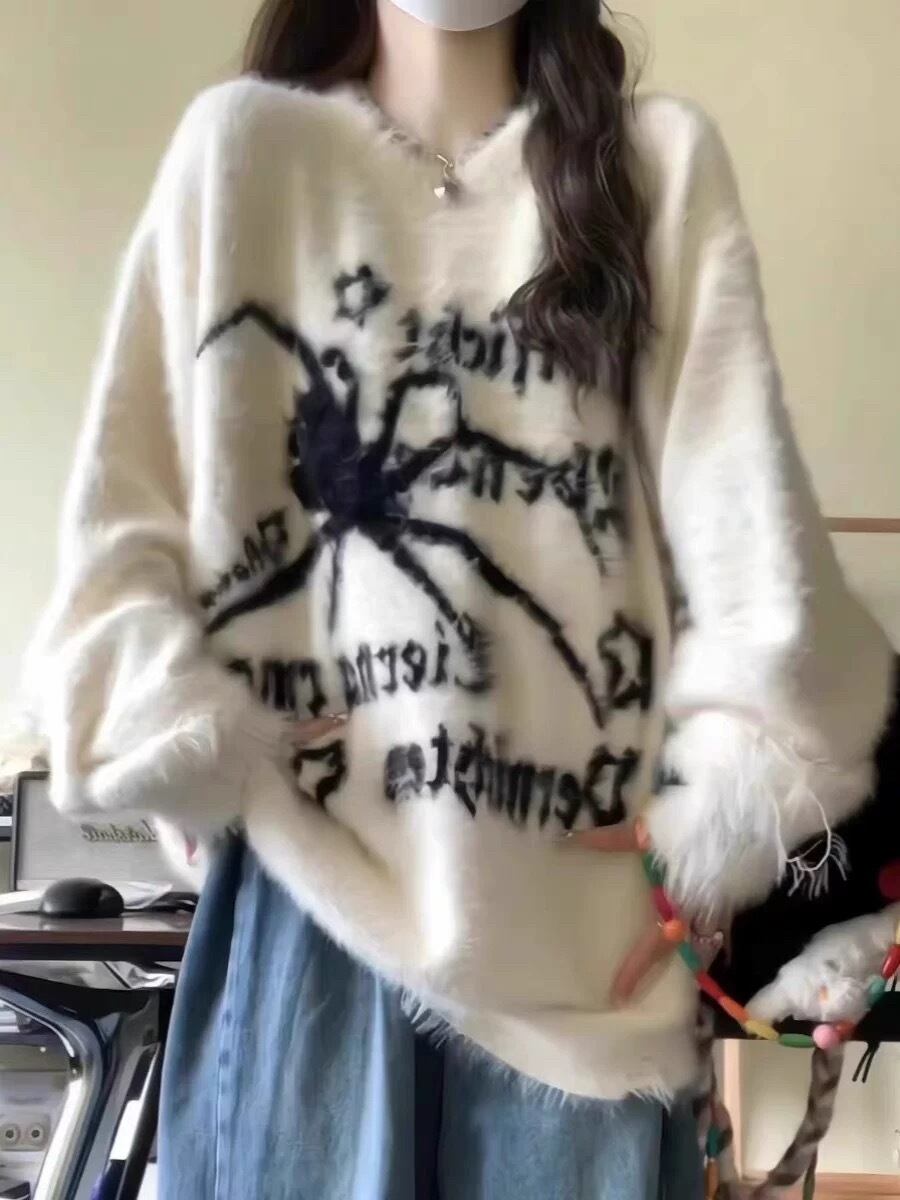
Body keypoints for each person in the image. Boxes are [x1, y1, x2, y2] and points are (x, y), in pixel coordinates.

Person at [29, 0, 894, 1196]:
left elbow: (762, 567)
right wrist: (204, 735)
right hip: (313, 922)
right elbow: (119, 551)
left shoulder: (651, 173)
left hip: (575, 946)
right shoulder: (243, 156)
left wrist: (711, 819)